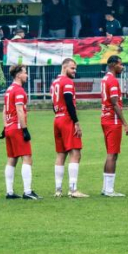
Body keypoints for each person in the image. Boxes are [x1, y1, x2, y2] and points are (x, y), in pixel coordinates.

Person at [2, 65, 40, 200]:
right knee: (27, 157)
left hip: (9, 127)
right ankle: (27, 191)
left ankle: (9, 192)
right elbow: (19, 110)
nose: (27, 75)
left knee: (12, 159)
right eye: (25, 73)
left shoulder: (9, 89)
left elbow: (4, 109)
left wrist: (5, 126)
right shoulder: (18, 90)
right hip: (17, 127)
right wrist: (24, 129)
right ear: (18, 75)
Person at [52, 58, 87, 198]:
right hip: (66, 119)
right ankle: (73, 190)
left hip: (57, 119)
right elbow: (69, 102)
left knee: (61, 154)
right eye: (72, 68)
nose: (74, 71)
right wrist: (76, 122)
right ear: (64, 67)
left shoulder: (54, 82)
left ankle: (58, 190)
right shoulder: (67, 82)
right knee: (75, 152)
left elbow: (52, 104)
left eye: (75, 68)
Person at [99, 56, 128, 197]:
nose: (122, 66)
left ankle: (105, 187)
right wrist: (126, 124)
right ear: (113, 65)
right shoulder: (112, 81)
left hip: (104, 118)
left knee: (110, 154)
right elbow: (115, 103)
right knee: (112, 154)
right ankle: (109, 190)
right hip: (112, 120)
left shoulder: (105, 79)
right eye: (120, 64)